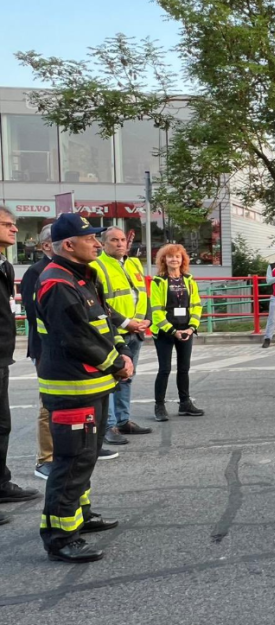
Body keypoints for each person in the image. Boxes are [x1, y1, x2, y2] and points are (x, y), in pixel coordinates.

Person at [34, 213, 130, 561]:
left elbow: (102, 323)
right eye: (90, 238)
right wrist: (117, 363)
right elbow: (75, 337)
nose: (97, 243)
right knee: (71, 460)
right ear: (69, 245)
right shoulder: (57, 282)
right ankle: (60, 536)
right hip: (72, 387)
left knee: (85, 457)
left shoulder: (82, 276)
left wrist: (119, 352)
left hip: (92, 385)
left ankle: (80, 516)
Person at [1, 207, 42, 527]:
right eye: (6, 225)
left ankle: (1, 483)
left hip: (3, 355)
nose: (14, 230)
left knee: (3, 425)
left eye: (14, 224)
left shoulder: (5, 264)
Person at [93, 227, 153, 446]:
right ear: (103, 244)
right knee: (110, 380)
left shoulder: (134, 263)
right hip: (113, 332)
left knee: (127, 377)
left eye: (121, 240)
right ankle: (109, 426)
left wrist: (147, 320)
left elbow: (143, 294)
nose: (119, 243)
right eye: (113, 240)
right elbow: (100, 302)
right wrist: (127, 323)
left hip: (136, 331)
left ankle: (123, 419)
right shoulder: (96, 266)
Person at [150, 244, 204, 422]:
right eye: (170, 256)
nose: (174, 259)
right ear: (164, 260)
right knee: (164, 369)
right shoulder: (158, 281)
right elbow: (156, 311)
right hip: (166, 331)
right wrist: (172, 331)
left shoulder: (189, 279)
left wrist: (191, 327)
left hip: (185, 329)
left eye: (178, 257)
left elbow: (196, 305)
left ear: (183, 260)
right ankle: (159, 406)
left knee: (184, 369)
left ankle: (185, 404)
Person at [19, 225, 56, 478]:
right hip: (46, 348)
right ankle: (46, 459)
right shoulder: (36, 272)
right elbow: (35, 315)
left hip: (69, 349)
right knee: (48, 404)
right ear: (46, 246)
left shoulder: (74, 269)